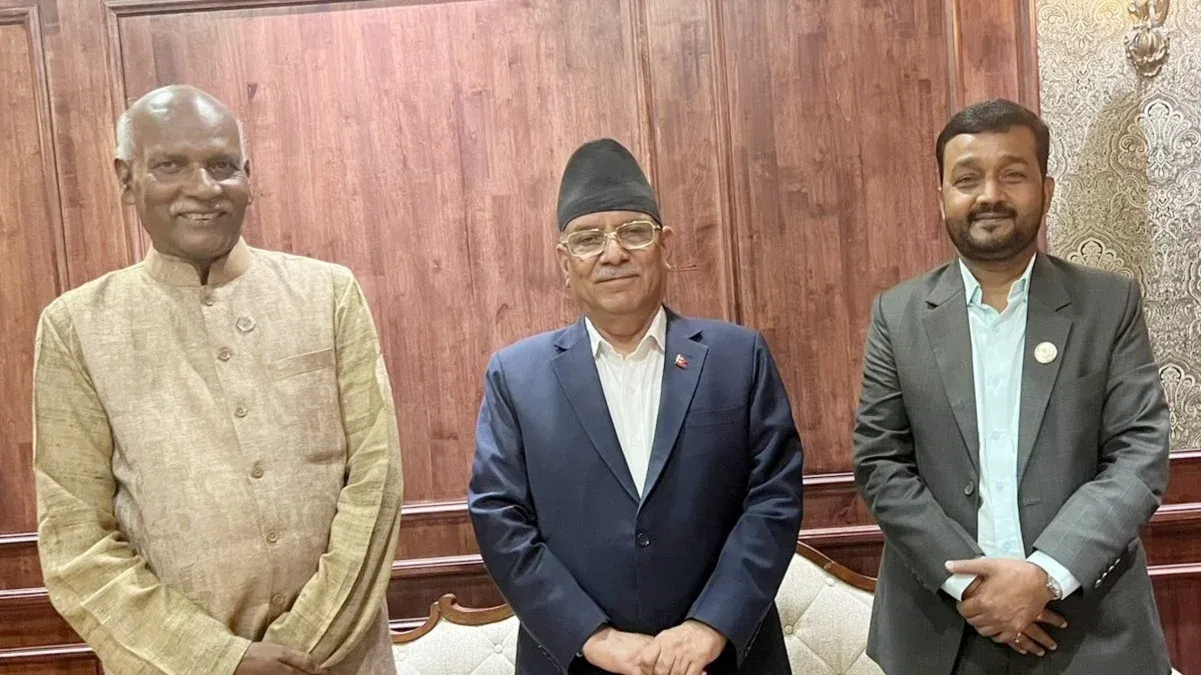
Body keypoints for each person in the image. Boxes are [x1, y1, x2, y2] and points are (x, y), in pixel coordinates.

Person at [33, 85, 403, 675]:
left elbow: (376, 483)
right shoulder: (77, 327)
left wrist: (304, 646)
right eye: (171, 166)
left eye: (222, 165)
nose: (204, 188)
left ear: (248, 176)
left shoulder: (327, 294)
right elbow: (76, 542)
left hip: (343, 658)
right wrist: (218, 661)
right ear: (126, 179)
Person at [852, 98, 1172, 674]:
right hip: (941, 634)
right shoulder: (897, 316)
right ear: (941, 197)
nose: (989, 195)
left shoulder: (1108, 304)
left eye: (1013, 174)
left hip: (1089, 631)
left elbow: (1138, 455)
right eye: (967, 179)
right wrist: (977, 590)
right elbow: (881, 463)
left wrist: (1045, 575)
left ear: (1046, 191)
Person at [467, 138, 805, 675]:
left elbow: (774, 499)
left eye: (633, 231)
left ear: (664, 244)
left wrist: (710, 626)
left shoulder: (737, 358)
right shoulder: (516, 377)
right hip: (577, 662)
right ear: (564, 261)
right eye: (588, 239)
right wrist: (593, 637)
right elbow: (499, 517)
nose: (613, 253)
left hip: (723, 661)